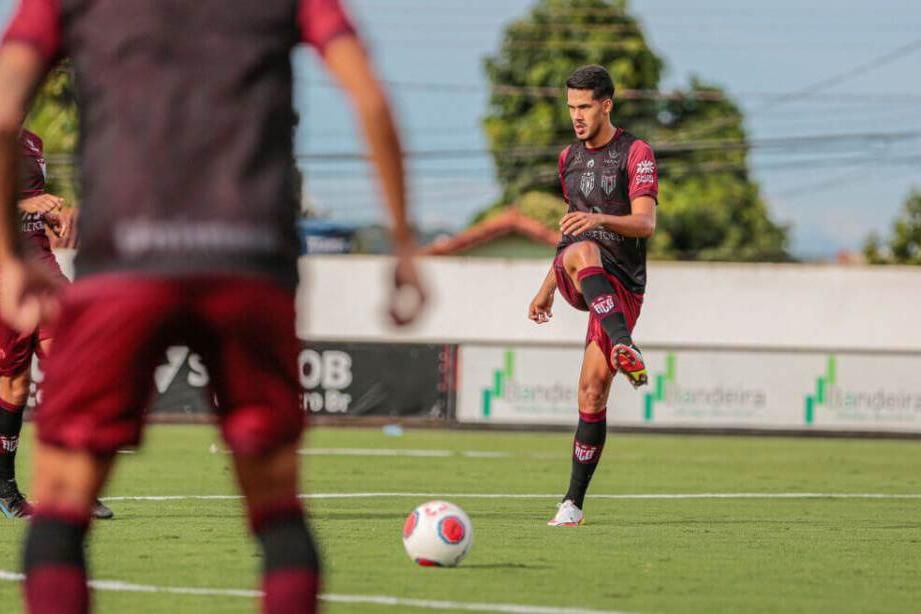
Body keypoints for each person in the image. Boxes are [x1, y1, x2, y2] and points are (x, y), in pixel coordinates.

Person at [0, 1, 425, 612]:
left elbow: (7, 106)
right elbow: (370, 98)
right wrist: (404, 243)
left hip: (125, 265)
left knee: (62, 505)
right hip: (247, 264)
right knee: (278, 507)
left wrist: (11, 258)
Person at [528, 65, 658, 527]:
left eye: (584, 107)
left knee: (592, 389)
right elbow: (572, 229)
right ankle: (626, 342)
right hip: (577, 270)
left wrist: (601, 220)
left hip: (621, 281)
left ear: (606, 104)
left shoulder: (635, 152)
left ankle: (572, 504)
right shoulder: (568, 159)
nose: (576, 116)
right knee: (582, 248)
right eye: (571, 108)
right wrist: (545, 289)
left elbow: (645, 224)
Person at [0, 127, 113, 521]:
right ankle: (6, 487)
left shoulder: (33, 140)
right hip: (6, 274)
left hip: (43, 267)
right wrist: (26, 203)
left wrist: (47, 218)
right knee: (14, 384)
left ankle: (75, 485)